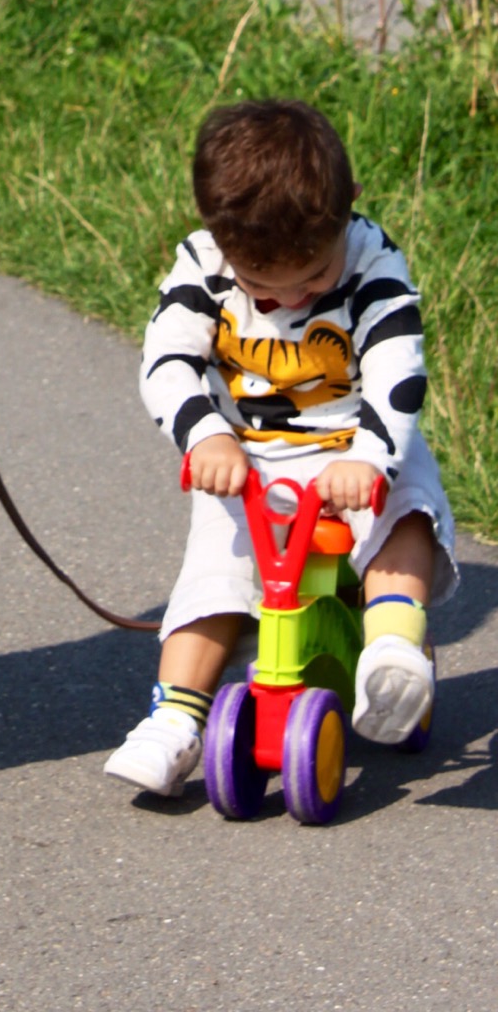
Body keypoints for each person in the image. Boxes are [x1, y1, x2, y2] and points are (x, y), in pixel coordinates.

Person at [104, 98, 456, 797]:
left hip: (358, 443)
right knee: (214, 576)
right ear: (216, 232)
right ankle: (174, 718)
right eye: (262, 285)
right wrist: (206, 435)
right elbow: (166, 362)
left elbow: (398, 372)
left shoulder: (372, 263)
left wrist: (370, 457)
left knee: (403, 514)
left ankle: (392, 648)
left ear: (348, 207)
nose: (291, 298)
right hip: (251, 460)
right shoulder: (203, 264)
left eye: (313, 277)